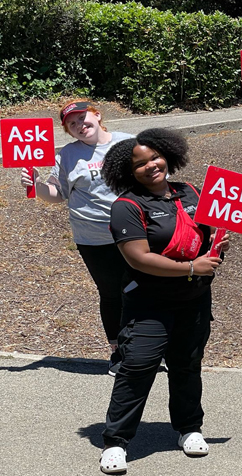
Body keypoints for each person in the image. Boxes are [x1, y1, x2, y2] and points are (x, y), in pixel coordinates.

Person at [97, 128, 229, 474]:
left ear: (168, 155)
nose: (151, 166)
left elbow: (206, 235)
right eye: (140, 164)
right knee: (137, 368)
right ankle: (115, 442)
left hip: (194, 299)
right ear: (128, 172)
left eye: (155, 157)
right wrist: (190, 266)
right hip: (148, 304)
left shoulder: (190, 192)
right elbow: (138, 258)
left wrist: (215, 247)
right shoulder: (127, 206)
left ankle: (188, 429)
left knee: (187, 365)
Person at [19, 100, 133, 376]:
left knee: (140, 291)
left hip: (135, 233)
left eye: (83, 118)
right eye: (72, 124)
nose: (80, 125)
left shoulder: (129, 142)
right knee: (110, 294)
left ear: (97, 115)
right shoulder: (67, 155)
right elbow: (58, 195)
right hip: (92, 239)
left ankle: (143, 348)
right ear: (68, 131)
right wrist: (36, 185)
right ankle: (118, 351)